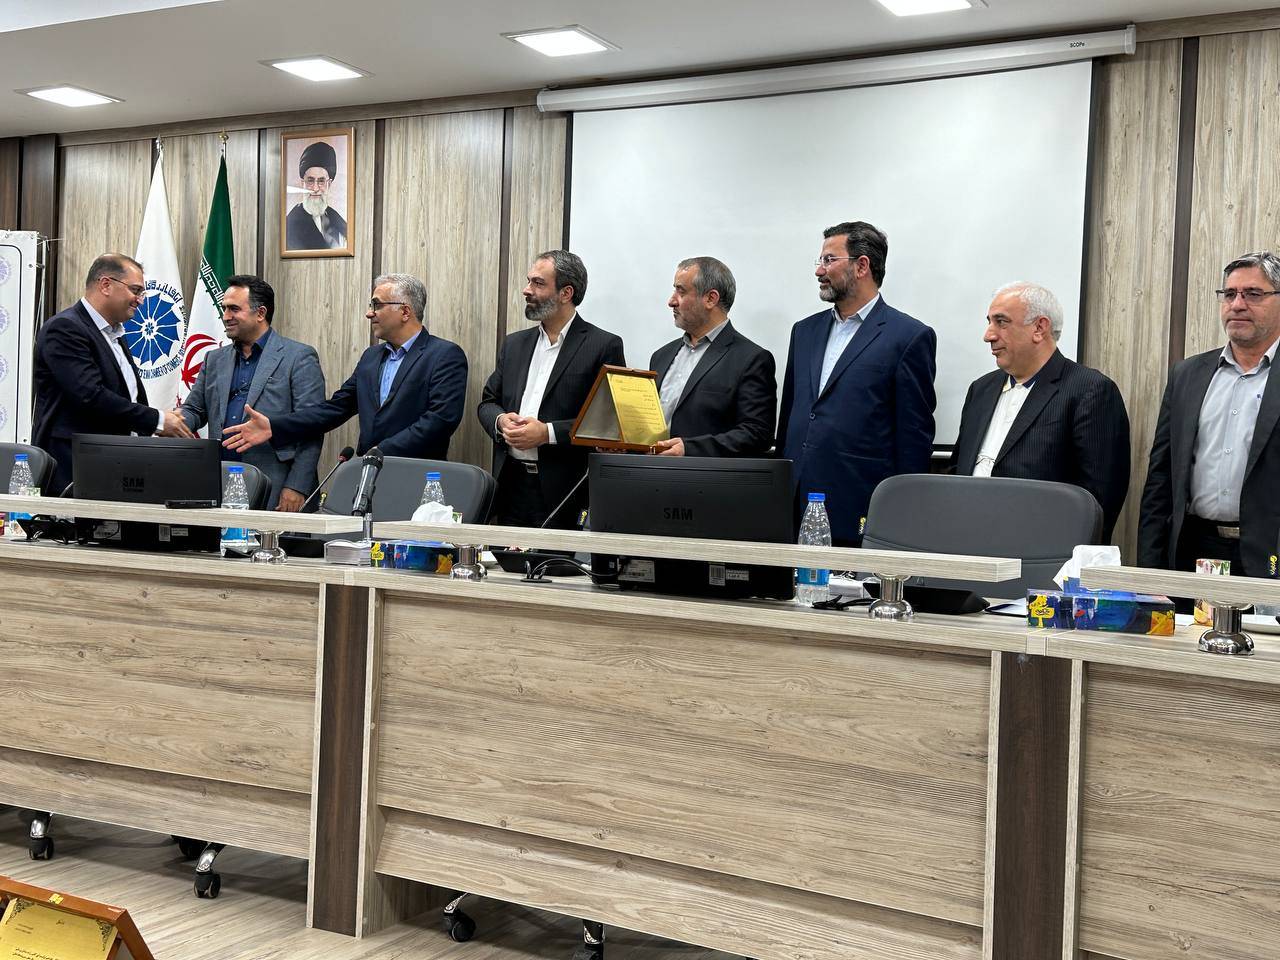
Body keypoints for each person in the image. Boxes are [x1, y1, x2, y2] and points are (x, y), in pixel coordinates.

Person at [775, 221, 936, 545]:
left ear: (862, 266)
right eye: (820, 260)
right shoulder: (804, 331)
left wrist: (901, 517)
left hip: (860, 504)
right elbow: (791, 415)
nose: (819, 270)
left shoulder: (908, 337)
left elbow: (913, 438)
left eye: (829, 260)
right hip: (795, 502)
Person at [222, 273, 467, 463]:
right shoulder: (371, 357)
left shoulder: (444, 355)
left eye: (377, 305)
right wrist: (275, 426)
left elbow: (440, 420)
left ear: (405, 311)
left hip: (418, 475)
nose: (369, 313)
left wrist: (381, 451)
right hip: (370, 476)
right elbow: (334, 409)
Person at [950, 281, 1131, 539]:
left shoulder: (1089, 391)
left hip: (1039, 552)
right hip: (964, 543)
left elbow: (1098, 501)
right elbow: (957, 470)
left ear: (1039, 328)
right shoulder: (981, 390)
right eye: (989, 322)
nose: (988, 335)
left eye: (1001, 322)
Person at [1139, 251, 1280, 578]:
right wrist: (1149, 570)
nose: (1237, 304)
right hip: (1196, 551)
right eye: (1229, 294)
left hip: (1270, 555)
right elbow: (1161, 480)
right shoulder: (1188, 374)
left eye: (1253, 294)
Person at [478, 250, 624, 527]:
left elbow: (609, 423)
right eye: (529, 281)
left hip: (565, 491)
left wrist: (547, 433)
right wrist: (500, 421)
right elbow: (487, 402)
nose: (526, 290)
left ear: (566, 293)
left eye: (538, 283)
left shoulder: (603, 345)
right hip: (510, 484)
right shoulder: (515, 344)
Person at [33, 253, 194, 494]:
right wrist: (158, 421)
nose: (140, 300)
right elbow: (90, 396)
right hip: (73, 467)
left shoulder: (115, 333)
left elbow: (127, 396)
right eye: (135, 290)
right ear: (106, 285)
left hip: (114, 463)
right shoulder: (65, 328)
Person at [179, 275, 325, 511]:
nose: (226, 316)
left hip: (276, 484)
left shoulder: (298, 357)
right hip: (220, 481)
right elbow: (195, 409)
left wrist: (297, 486)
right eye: (224, 308)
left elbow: (312, 427)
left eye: (234, 309)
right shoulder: (214, 359)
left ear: (261, 313)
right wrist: (175, 421)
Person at [648, 257, 775, 458]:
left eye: (681, 291)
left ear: (710, 299)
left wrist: (690, 449)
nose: (671, 301)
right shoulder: (661, 356)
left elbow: (757, 433)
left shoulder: (751, 359)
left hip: (704, 475)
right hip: (649, 473)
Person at [285, 141, 348, 251]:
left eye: (321, 181)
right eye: (310, 181)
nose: (315, 188)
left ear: (329, 184)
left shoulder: (334, 216)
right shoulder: (290, 225)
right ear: (302, 183)